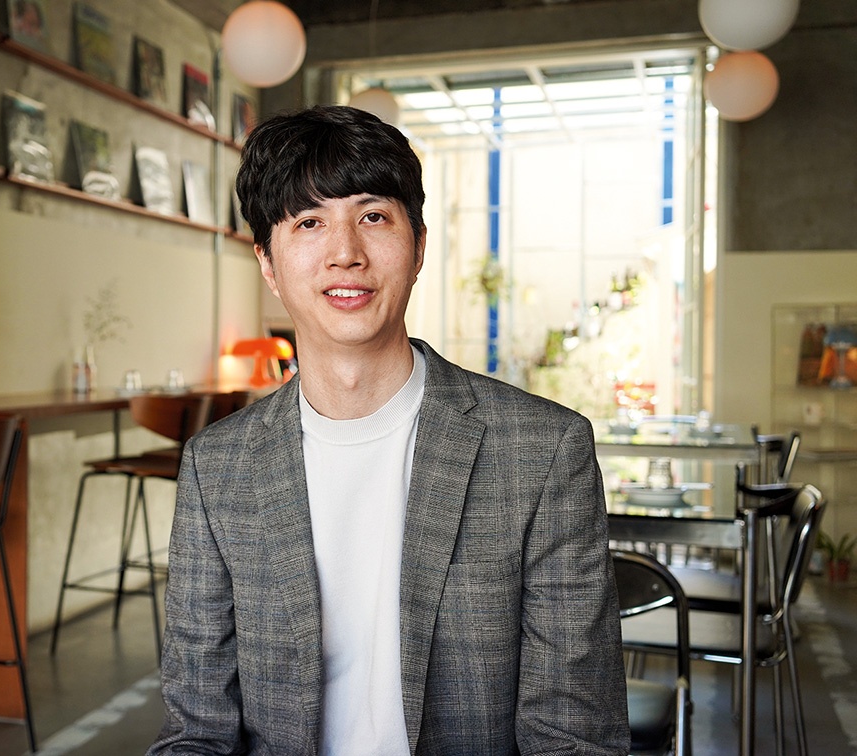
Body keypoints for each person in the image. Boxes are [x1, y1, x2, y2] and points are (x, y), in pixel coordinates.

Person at [147, 105, 629, 755]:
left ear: (419, 244)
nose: (345, 253)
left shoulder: (542, 453)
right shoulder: (218, 467)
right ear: (267, 262)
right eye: (309, 222)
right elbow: (197, 731)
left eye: (373, 216)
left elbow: (573, 735)